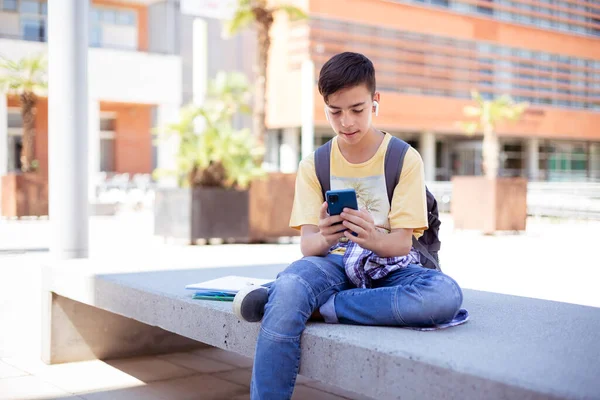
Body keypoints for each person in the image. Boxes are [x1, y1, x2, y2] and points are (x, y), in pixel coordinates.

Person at [233, 52, 465, 400]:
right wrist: (326, 235)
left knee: (444, 296)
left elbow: (402, 244)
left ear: (375, 102)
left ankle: (318, 304)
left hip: (390, 266)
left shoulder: (403, 158)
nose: (346, 122)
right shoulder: (316, 163)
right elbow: (308, 247)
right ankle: (293, 296)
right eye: (334, 111)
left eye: (357, 109)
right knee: (295, 282)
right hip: (334, 261)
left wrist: (372, 237)